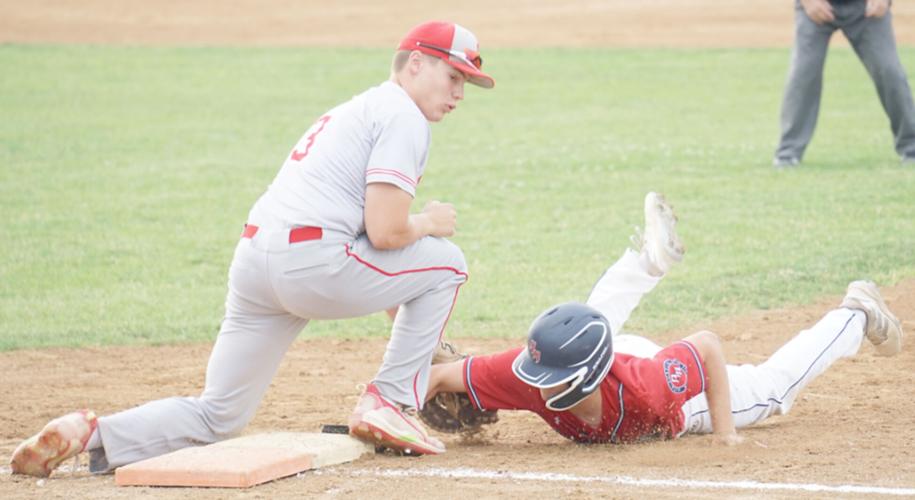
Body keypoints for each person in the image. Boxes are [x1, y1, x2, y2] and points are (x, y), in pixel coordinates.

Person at [10, 20, 495, 477]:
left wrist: (419, 344)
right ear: (415, 64)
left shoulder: (355, 109)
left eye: (465, 84)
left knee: (218, 415)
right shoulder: (404, 117)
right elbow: (387, 233)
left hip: (256, 264)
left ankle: (93, 433)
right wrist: (429, 222)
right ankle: (390, 401)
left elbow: (379, 252)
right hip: (313, 264)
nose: (458, 93)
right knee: (448, 263)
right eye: (453, 75)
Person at [425, 192, 903, 445]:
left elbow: (707, 346)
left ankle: (856, 314)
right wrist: (395, 407)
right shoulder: (532, 372)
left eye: (551, 380)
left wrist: (725, 434)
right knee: (588, 326)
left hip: (681, 406)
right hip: (613, 364)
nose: (541, 386)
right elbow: (441, 374)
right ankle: (648, 261)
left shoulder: (652, 392)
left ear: (579, 379)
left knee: (773, 390)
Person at [773, 0, 915, 167]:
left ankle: (911, 148)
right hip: (817, 5)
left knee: (889, 72)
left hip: (866, 9)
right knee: (803, 74)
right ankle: (788, 153)